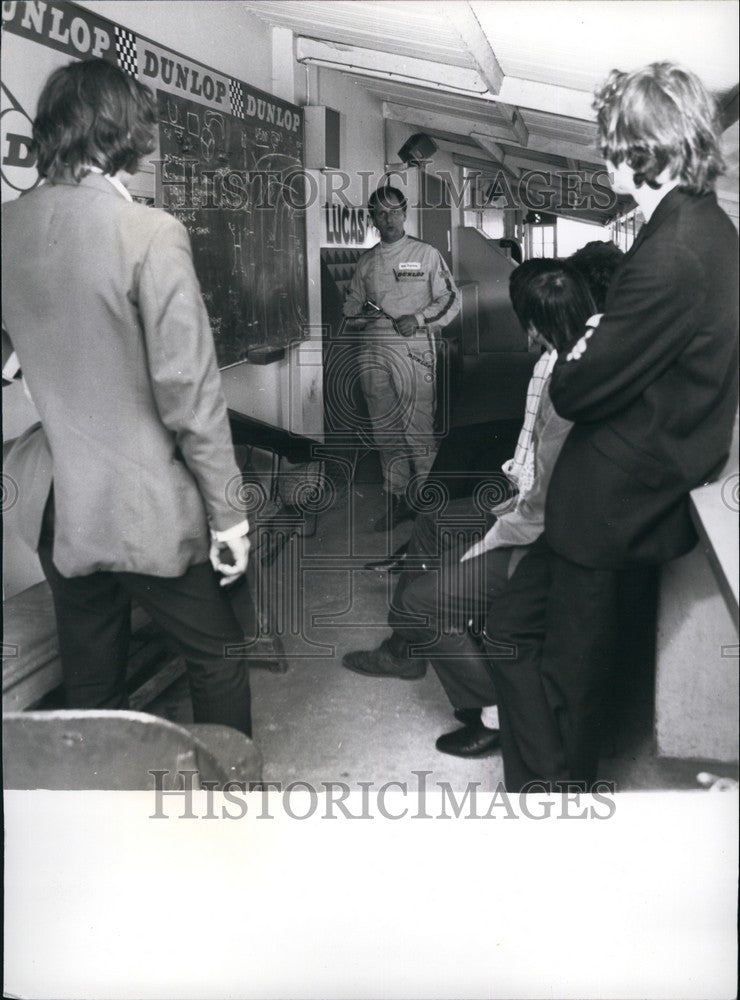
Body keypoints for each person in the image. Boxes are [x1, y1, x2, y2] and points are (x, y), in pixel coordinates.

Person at [486, 62, 739, 790]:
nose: (605, 157)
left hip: (610, 506)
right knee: (519, 636)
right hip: (625, 498)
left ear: (647, 149)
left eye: (613, 144)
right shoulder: (701, 229)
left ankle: (554, 809)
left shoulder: (674, 252)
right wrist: (600, 332)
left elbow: (576, 386)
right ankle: (543, 788)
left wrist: (591, 345)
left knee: (568, 688)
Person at [1, 59, 254, 735]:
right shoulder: (148, 232)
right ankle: (233, 825)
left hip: (55, 503)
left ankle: (98, 821)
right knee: (220, 655)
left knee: (91, 673)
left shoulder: (6, 226)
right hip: (137, 504)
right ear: (127, 134)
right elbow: (189, 392)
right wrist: (229, 514)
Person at [342, 260, 599, 758]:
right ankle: (407, 648)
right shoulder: (567, 358)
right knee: (436, 522)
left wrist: (488, 539)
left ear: (536, 323)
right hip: (526, 506)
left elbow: (541, 504)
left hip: (541, 533)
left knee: (421, 597)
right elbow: (533, 472)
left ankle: (497, 711)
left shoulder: (566, 380)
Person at [343, 185, 460, 531]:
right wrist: (359, 313)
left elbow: (451, 300)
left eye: (394, 211)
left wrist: (420, 319)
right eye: (381, 212)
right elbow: (350, 305)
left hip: (413, 351)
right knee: (385, 431)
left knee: (418, 430)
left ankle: (428, 507)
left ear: (405, 212)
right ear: (373, 218)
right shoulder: (366, 262)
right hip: (374, 351)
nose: (389, 218)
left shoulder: (426, 255)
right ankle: (397, 499)